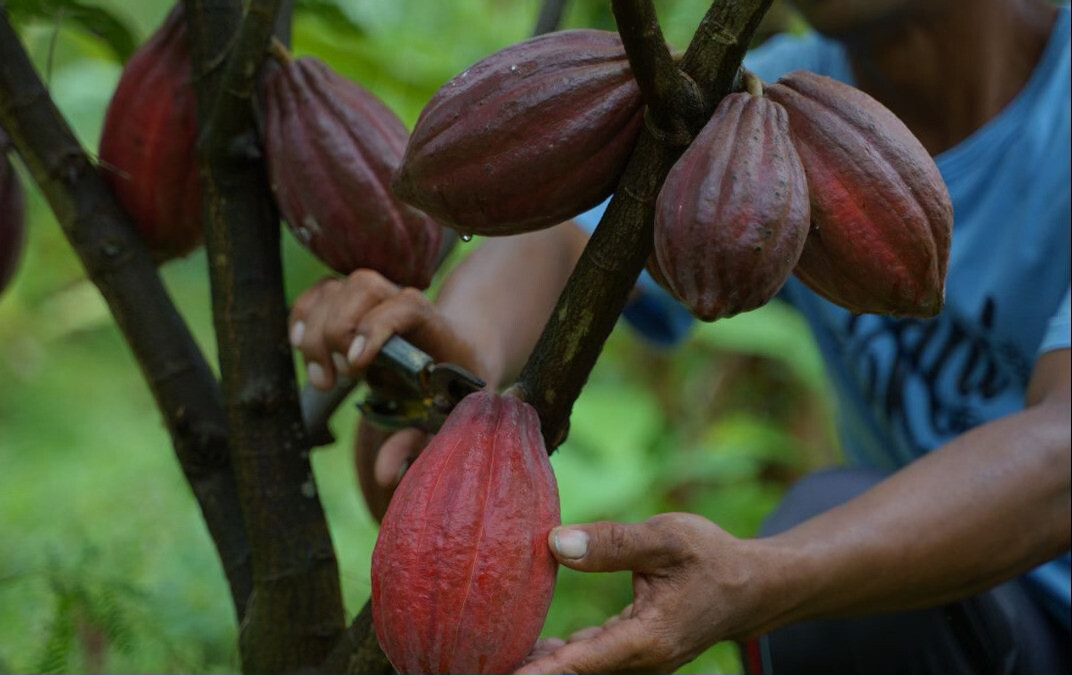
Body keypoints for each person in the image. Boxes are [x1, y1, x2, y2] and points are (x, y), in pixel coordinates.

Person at [289, 0, 1071, 672]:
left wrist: (764, 577)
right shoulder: (766, 102)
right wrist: (462, 347)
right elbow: (564, 238)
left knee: (826, 545)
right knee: (855, 606)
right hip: (969, 613)